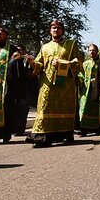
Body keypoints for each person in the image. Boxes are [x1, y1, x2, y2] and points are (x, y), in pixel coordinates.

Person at [27, 20, 83, 148]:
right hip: (47, 85)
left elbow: (79, 62)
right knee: (45, 108)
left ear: (62, 30)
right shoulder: (45, 47)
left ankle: (65, 135)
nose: (55, 30)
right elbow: (40, 65)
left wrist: (62, 64)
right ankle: (43, 137)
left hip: (65, 85)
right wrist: (32, 63)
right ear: (50, 31)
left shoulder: (71, 44)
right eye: (53, 28)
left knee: (64, 109)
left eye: (58, 28)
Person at [8, 44, 35, 137]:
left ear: (24, 51)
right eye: (17, 51)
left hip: (24, 89)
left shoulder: (27, 60)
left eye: (20, 51)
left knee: (22, 110)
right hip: (13, 89)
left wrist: (31, 63)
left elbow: (32, 73)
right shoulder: (11, 60)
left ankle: (20, 129)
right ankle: (12, 129)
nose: (18, 52)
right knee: (13, 110)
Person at [78, 43, 100, 136]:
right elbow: (80, 75)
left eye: (93, 50)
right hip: (86, 91)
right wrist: (80, 81)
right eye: (90, 50)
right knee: (84, 109)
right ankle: (83, 129)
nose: (91, 52)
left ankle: (97, 128)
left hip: (96, 90)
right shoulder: (85, 64)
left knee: (95, 109)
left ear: (97, 51)